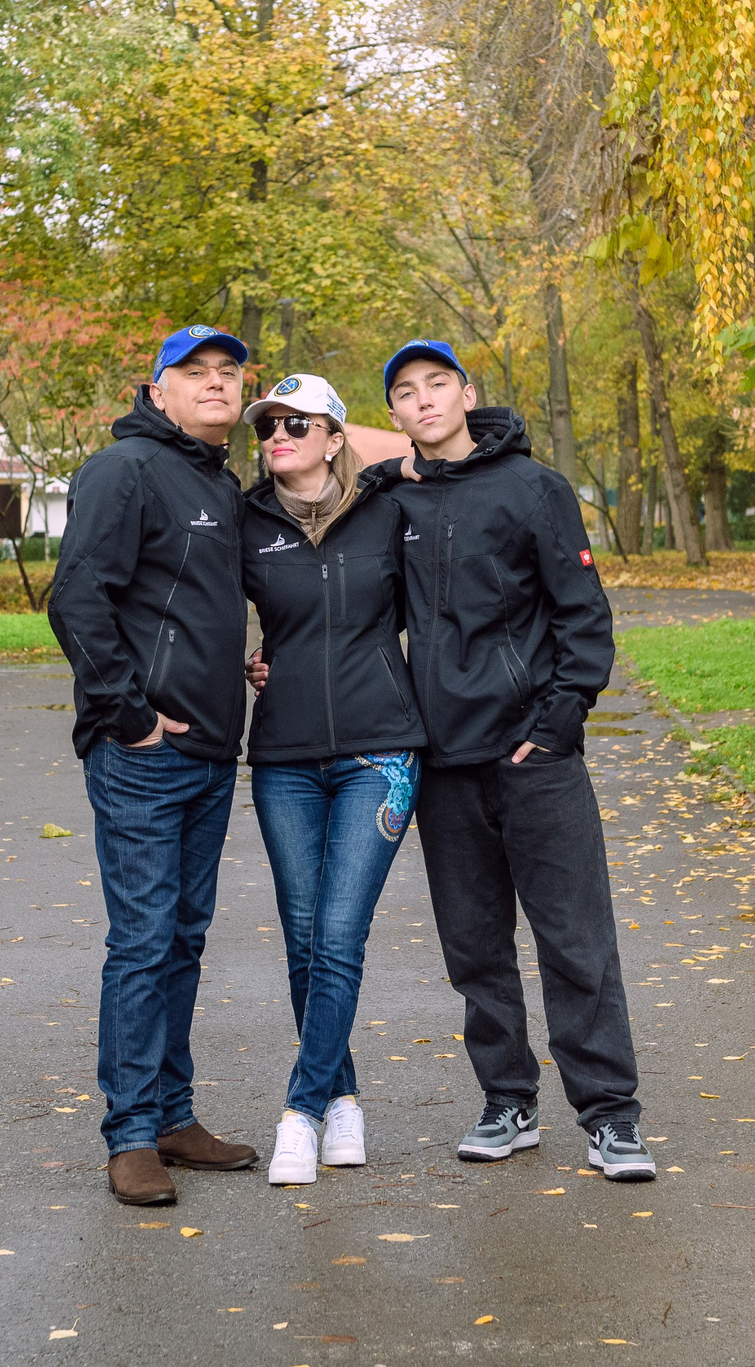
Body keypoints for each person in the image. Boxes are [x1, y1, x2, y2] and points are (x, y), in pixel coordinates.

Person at [363, 339, 653, 1181]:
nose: (423, 402)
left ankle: (611, 1117)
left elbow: (582, 616)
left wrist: (559, 723)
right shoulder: (395, 500)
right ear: (394, 415)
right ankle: (508, 1102)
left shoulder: (535, 489)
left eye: (436, 385)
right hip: (443, 765)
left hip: (536, 757)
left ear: (466, 393)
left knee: (575, 938)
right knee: (476, 945)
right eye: (406, 394)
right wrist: (386, 477)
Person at [47, 324, 264, 1206]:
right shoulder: (124, 470)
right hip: (147, 754)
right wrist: (128, 715)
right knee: (141, 941)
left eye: (228, 373)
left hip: (212, 750)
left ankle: (173, 1115)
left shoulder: (218, 479)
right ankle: (131, 1132)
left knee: (182, 938)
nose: (215, 384)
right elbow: (77, 596)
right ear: (159, 388)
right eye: (195, 373)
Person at [235, 373, 425, 1187]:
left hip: (381, 756)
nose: (277, 434)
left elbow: (413, 452)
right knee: (306, 935)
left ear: (335, 436)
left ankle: (300, 1111)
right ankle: (343, 1098)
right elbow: (211, 611)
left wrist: (367, 456)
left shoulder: (388, 511)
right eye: (268, 424)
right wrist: (246, 658)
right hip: (283, 757)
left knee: (340, 934)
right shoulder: (246, 522)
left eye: (297, 423)